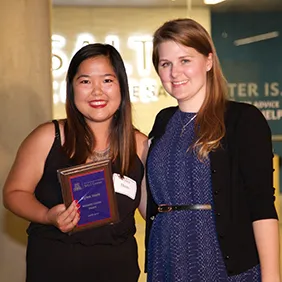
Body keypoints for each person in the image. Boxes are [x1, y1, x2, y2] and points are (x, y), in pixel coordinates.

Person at [145, 18, 280, 282]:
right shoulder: (163, 121)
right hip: (166, 259)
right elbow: (156, 203)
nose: (175, 72)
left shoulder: (243, 119)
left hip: (221, 261)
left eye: (185, 60)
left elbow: (261, 204)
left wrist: (272, 276)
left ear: (208, 61)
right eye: (166, 64)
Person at [3, 43, 148, 282]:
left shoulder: (140, 145)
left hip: (118, 270)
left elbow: (151, 211)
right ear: (71, 89)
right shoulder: (48, 137)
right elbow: (13, 193)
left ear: (122, 86)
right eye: (85, 81)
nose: (97, 91)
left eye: (107, 80)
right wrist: (47, 215)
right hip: (54, 267)